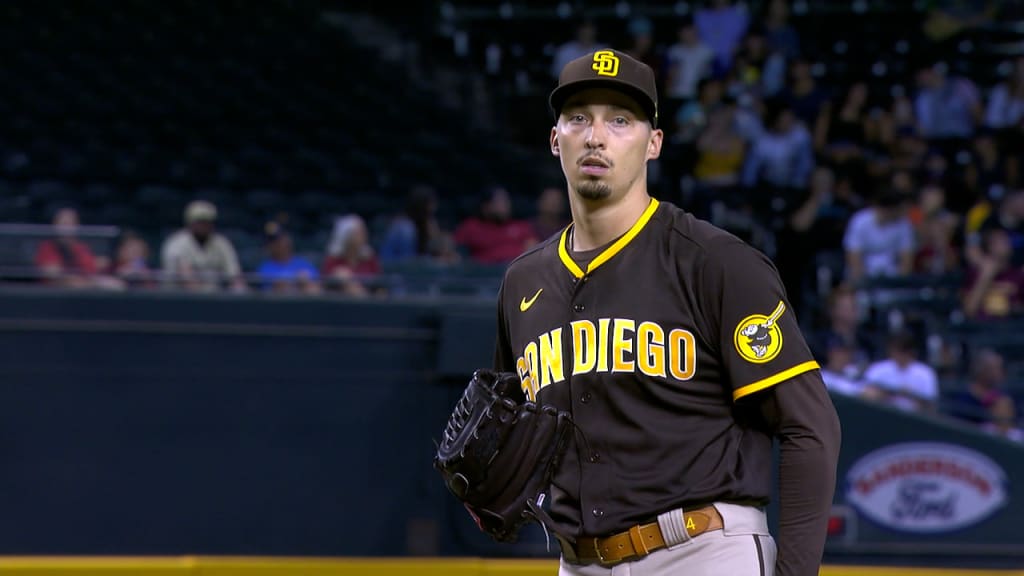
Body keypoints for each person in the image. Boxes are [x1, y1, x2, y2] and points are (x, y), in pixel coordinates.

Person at [490, 48, 840, 576]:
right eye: (579, 117)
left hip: (702, 550)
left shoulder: (716, 263)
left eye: (621, 120)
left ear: (653, 143)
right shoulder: (523, 282)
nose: (596, 136)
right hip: (577, 562)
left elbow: (810, 428)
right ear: (555, 138)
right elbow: (514, 434)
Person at [160, 200, 247, 292]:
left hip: (214, 298)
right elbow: (186, 279)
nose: (204, 225)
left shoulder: (222, 243)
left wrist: (240, 291)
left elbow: (235, 276)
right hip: (178, 297)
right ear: (190, 223)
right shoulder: (176, 243)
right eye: (200, 221)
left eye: (207, 221)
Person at [256, 221, 321, 295]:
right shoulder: (265, 268)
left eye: (280, 239)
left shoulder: (304, 264)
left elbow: (318, 288)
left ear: (288, 240)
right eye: (272, 241)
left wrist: (303, 282)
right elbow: (266, 294)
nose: (277, 244)